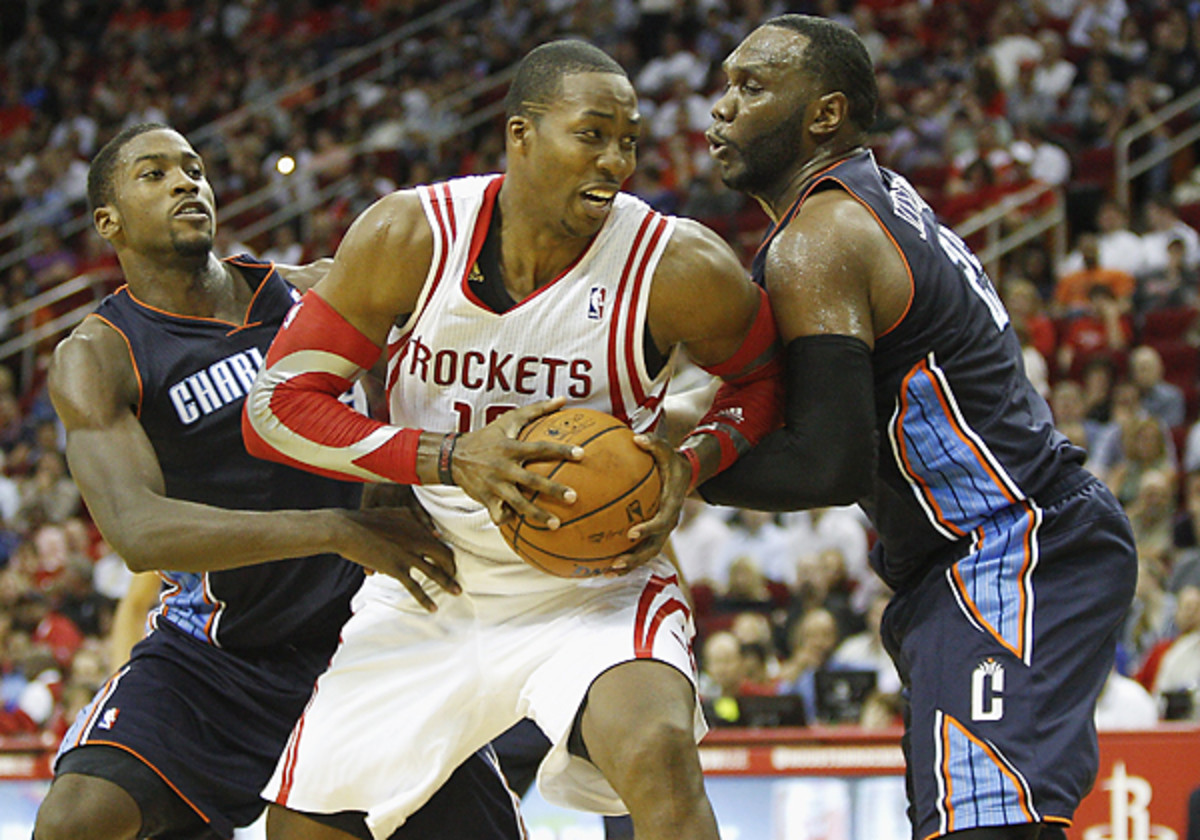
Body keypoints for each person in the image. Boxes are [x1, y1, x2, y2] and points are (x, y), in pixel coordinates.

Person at [242, 40, 778, 840]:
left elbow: (762, 382)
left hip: (596, 586)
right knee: (300, 831)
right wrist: (451, 458)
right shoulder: (410, 236)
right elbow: (276, 406)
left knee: (658, 751)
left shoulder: (676, 265)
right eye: (591, 134)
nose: (617, 160)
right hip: (434, 586)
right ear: (520, 134)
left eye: (629, 139)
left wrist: (692, 460)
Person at [698, 14, 1137, 840]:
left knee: (987, 829)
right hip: (974, 555)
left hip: (1007, 545)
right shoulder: (864, 198)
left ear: (824, 113)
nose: (720, 109)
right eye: (725, 84)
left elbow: (829, 464)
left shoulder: (823, 236)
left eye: (751, 87)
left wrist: (669, 470)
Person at [32, 124, 523, 840]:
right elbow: (137, 531)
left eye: (193, 168)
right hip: (215, 659)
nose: (184, 182)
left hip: (366, 637)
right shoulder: (102, 355)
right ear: (108, 221)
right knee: (75, 820)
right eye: (154, 173)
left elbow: (450, 349)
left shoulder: (314, 292)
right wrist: (336, 528)